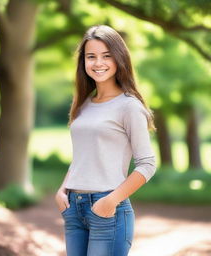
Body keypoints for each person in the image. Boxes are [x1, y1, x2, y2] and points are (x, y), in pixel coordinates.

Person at [55, 24, 157, 256]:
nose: (98, 63)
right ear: (83, 62)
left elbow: (148, 164)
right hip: (73, 206)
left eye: (106, 56)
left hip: (108, 208)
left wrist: (110, 201)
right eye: (91, 56)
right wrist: (62, 191)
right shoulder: (83, 104)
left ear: (119, 58)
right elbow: (82, 157)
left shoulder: (129, 106)